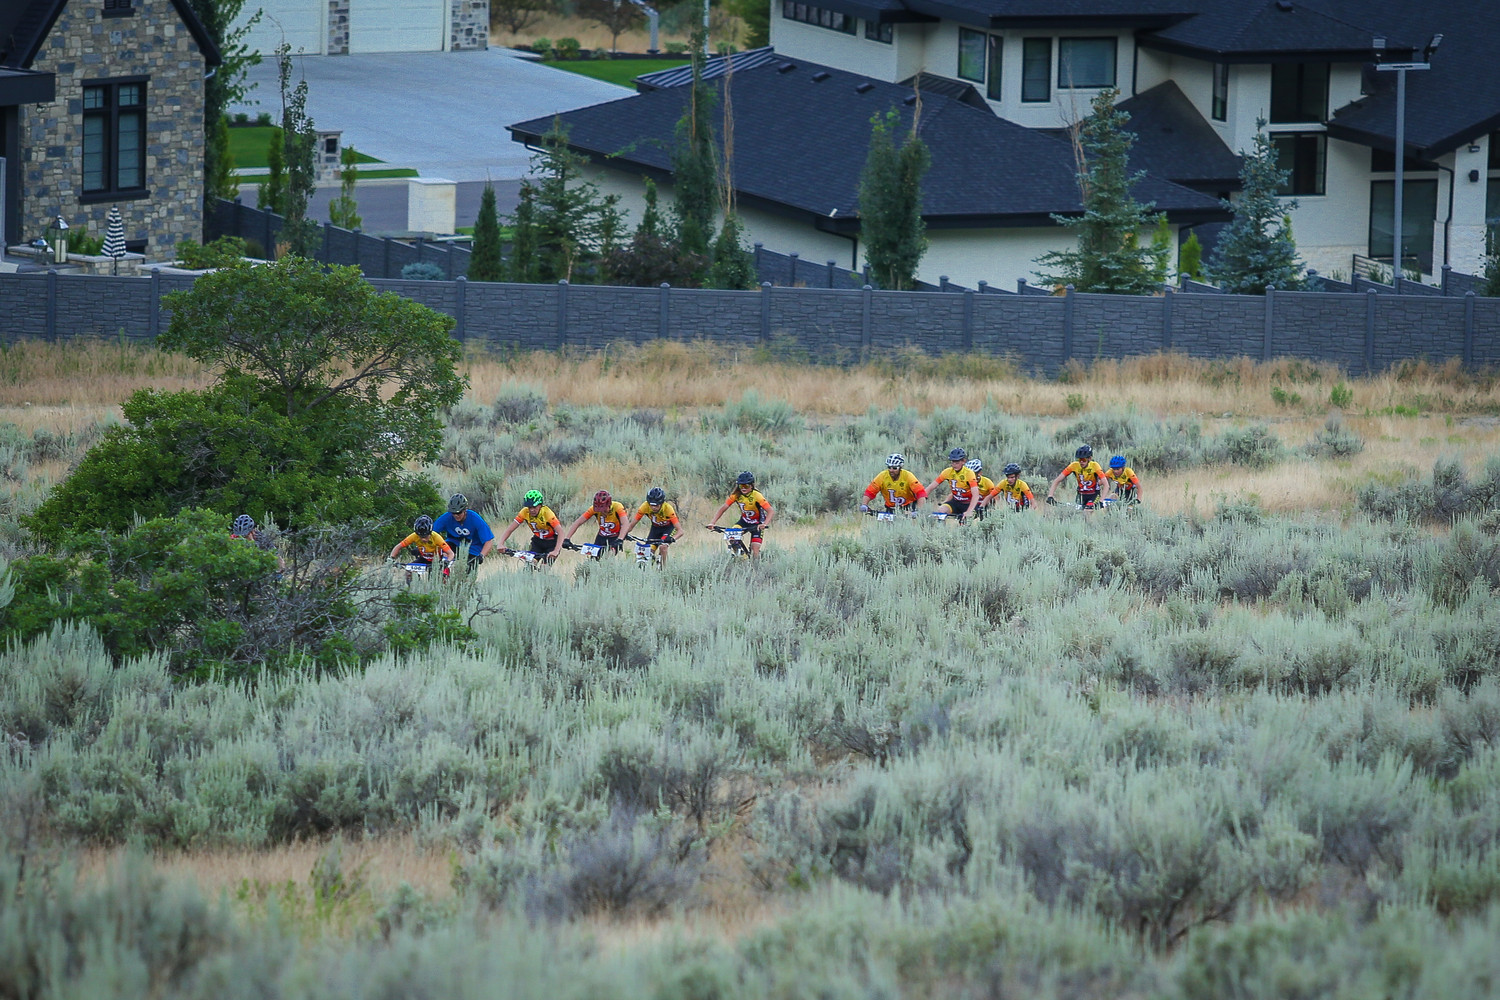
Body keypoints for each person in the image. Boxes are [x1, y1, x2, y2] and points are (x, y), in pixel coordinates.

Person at [707, 471, 774, 558]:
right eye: (741, 486)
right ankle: (742, 558)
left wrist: (764, 524)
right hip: (744, 521)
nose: (743, 488)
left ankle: (756, 565)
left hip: (757, 523)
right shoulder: (736, 495)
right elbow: (724, 507)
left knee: (755, 549)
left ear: (752, 486)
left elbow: (770, 510)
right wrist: (713, 522)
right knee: (732, 537)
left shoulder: (757, 495)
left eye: (746, 486)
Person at [495, 489, 563, 562]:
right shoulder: (525, 512)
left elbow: (561, 532)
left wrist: (556, 551)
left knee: (544, 568)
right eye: (529, 507)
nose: (531, 510)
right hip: (537, 542)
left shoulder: (547, 513)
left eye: (534, 507)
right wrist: (501, 543)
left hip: (552, 543)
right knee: (530, 564)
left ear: (540, 505)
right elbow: (510, 529)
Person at [431, 492, 495, 568]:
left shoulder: (475, 519)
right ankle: (443, 571)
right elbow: (432, 533)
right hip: (453, 544)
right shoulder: (447, 517)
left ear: (465, 510)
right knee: (444, 553)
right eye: (453, 513)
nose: (456, 515)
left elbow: (488, 541)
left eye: (459, 513)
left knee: (467, 569)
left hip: (472, 548)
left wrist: (481, 556)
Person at [623, 486, 682, 566]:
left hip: (668, 529)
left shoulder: (668, 509)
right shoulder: (644, 507)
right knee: (648, 552)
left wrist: (672, 539)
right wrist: (622, 535)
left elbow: (680, 531)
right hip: (655, 529)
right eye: (651, 505)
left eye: (656, 505)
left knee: (663, 547)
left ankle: (663, 569)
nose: (654, 508)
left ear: (662, 503)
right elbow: (631, 526)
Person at [561, 489, 629, 555]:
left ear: (609, 504)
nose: (601, 512)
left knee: (609, 556)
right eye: (599, 509)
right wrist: (567, 538)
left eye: (603, 509)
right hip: (601, 536)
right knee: (593, 559)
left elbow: (625, 523)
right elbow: (578, 522)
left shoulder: (617, 507)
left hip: (615, 537)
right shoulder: (593, 509)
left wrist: (620, 539)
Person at [389, 514, 455, 576]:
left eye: (425, 536)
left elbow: (451, 553)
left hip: (437, 560)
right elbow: (398, 546)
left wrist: (447, 562)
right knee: (409, 572)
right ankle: (413, 584)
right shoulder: (414, 536)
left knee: (439, 576)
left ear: (430, 533)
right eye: (420, 536)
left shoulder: (436, 537)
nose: (423, 539)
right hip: (424, 559)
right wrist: (391, 558)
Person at [926, 447, 981, 521]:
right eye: (952, 462)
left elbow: (976, 495)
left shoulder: (969, 473)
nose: (954, 465)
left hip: (968, 503)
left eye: (957, 462)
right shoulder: (947, 472)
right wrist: (921, 498)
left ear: (963, 461)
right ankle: (940, 527)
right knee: (941, 511)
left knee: (965, 520)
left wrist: (969, 511)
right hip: (955, 502)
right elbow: (931, 487)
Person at [860, 453, 926, 515]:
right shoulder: (882, 476)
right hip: (890, 508)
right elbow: (870, 492)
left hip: (908, 507)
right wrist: (864, 505)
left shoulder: (908, 476)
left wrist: (919, 511)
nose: (891, 470)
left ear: (900, 468)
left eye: (894, 468)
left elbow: (920, 493)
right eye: (889, 467)